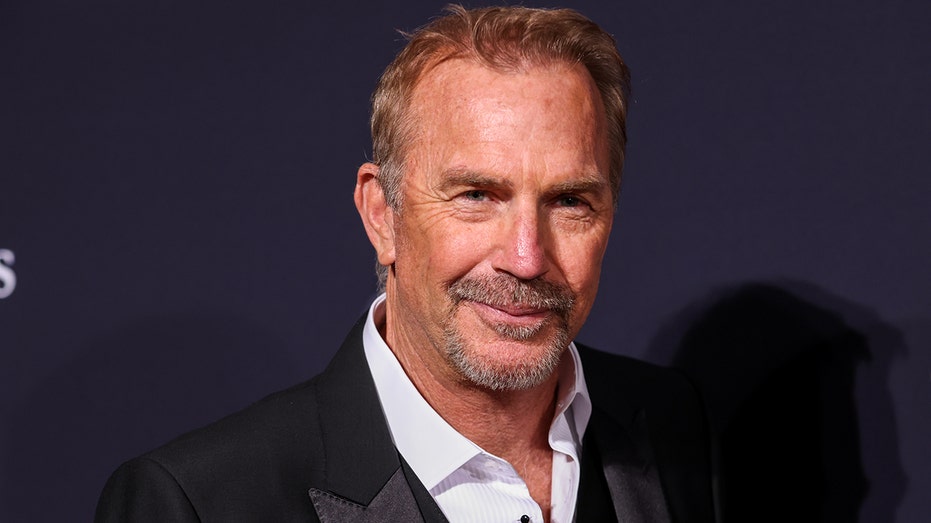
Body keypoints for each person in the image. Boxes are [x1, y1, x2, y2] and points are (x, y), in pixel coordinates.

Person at [96, 5, 714, 522]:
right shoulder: (199, 503)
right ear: (382, 215)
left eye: (570, 201)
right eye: (476, 196)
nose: (527, 258)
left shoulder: (668, 422)